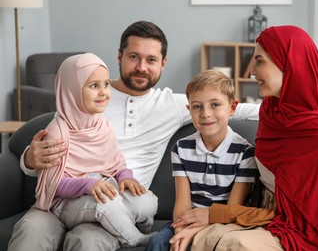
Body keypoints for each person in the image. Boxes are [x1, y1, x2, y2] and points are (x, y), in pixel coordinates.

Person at [8, 21, 260, 251]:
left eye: (151, 59)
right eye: (134, 57)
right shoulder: (91, 94)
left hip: (114, 208)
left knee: (87, 241)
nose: (141, 67)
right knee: (31, 230)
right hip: (57, 202)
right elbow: (50, 143)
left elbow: (235, 108)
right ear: (119, 57)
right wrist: (30, 158)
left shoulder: (172, 104)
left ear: (163, 64)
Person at [171, 25, 318, 250]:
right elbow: (212, 103)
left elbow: (315, 223)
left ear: (288, 62)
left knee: (235, 244)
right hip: (258, 217)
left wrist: (218, 214)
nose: (251, 70)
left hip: (293, 228)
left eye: (259, 61)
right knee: (207, 239)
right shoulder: (270, 113)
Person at [34, 52, 155, 248]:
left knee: (145, 202)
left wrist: (125, 177)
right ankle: (133, 238)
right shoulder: (57, 132)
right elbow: (53, 184)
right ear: (72, 90)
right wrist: (88, 185)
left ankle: (124, 221)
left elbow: (116, 162)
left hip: (98, 188)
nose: (103, 92)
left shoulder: (102, 125)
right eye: (93, 86)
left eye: (106, 84)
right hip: (65, 202)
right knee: (107, 203)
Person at [146, 69, 260, 251]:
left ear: (232, 108)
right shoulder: (181, 148)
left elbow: (233, 208)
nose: (205, 113)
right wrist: (181, 232)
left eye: (215, 105)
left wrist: (195, 232)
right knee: (159, 242)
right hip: (188, 220)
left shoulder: (245, 152)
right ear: (189, 110)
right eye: (197, 106)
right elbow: (182, 204)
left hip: (225, 223)